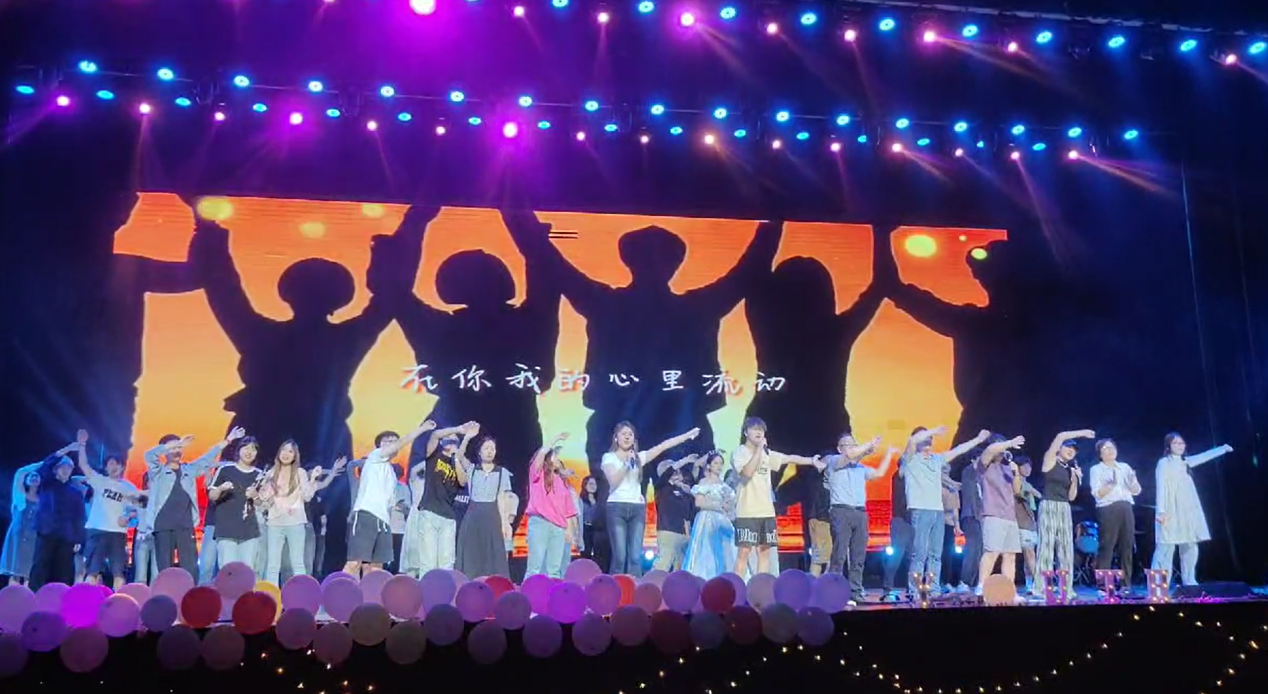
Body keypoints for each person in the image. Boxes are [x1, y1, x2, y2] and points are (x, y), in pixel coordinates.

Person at [601, 422, 701, 576]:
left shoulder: (639, 458)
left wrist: (687, 436)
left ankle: (635, 587)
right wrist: (627, 463)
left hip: (637, 508)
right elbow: (614, 482)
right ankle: (616, 588)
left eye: (630, 434)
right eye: (624, 434)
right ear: (616, 438)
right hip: (616, 507)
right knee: (620, 557)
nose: (627, 437)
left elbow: (663, 446)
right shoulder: (609, 457)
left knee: (635, 557)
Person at [901, 426, 990, 597]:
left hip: (938, 511)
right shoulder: (910, 458)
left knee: (935, 554)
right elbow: (912, 441)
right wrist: (932, 432)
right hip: (920, 510)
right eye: (924, 438)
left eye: (930, 439)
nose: (928, 440)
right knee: (919, 554)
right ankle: (915, 590)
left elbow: (958, 450)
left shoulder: (937, 459)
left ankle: (933, 589)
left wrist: (978, 439)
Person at [144, 427, 245, 580]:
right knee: (165, 572)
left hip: (186, 526)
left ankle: (191, 595)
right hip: (162, 526)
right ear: (164, 451)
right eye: (174, 448)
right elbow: (149, 455)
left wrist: (229, 440)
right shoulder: (157, 471)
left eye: (179, 448)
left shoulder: (188, 470)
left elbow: (207, 458)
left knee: (190, 570)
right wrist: (178, 443)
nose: (178, 451)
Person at [731, 417, 820, 579]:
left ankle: (760, 588)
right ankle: (738, 588)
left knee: (764, 552)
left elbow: (789, 458)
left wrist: (811, 461)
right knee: (744, 552)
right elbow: (747, 473)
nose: (759, 432)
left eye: (761, 429)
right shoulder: (740, 453)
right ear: (745, 432)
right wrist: (759, 449)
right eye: (754, 429)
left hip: (767, 512)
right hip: (747, 511)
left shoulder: (767, 454)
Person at [345, 422, 436, 579]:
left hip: (384, 521)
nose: (392, 444)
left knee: (376, 567)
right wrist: (422, 429)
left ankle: (370, 594)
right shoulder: (375, 456)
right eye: (388, 441)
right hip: (366, 515)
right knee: (354, 563)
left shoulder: (392, 474)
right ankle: (341, 592)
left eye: (394, 441)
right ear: (379, 446)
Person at [1152, 433, 1234, 588]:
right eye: (1175, 443)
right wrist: (1161, 511)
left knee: (1190, 544)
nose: (1179, 446)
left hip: (1188, 508)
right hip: (1170, 509)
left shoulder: (1186, 462)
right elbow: (1160, 487)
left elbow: (1204, 456)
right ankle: (1159, 585)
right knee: (1166, 546)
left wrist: (1222, 449)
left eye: (1181, 443)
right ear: (1168, 446)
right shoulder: (1163, 463)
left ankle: (1189, 580)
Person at [822, 433, 896, 604]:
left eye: (853, 444)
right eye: (847, 444)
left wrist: (889, 454)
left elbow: (879, 473)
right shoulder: (834, 461)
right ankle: (834, 592)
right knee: (839, 554)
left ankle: (855, 592)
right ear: (839, 448)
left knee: (858, 556)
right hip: (841, 511)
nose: (851, 447)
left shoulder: (860, 468)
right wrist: (869, 445)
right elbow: (849, 455)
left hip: (860, 513)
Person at [77, 435, 141, 590]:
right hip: (97, 530)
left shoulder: (129, 488)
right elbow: (83, 464)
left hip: (118, 533)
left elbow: (138, 510)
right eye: (110, 464)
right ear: (105, 468)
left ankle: (117, 600)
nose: (114, 467)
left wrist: (128, 517)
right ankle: (89, 600)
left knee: (118, 572)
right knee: (92, 571)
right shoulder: (100, 480)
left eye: (117, 464)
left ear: (122, 467)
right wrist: (81, 444)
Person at [414, 422, 477, 574]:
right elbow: (435, 435)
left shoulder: (457, 463)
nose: (451, 441)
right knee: (428, 562)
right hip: (429, 512)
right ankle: (427, 589)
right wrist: (458, 429)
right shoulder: (434, 456)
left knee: (446, 563)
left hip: (448, 516)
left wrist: (457, 457)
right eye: (448, 438)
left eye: (455, 440)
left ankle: (445, 589)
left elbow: (463, 481)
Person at [1036, 430, 1092, 598]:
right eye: (1068, 447)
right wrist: (1082, 433)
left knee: (1066, 548)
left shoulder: (1070, 470)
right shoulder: (1050, 460)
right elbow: (1060, 436)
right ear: (1059, 448)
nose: (1071, 451)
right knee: (1046, 547)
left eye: (1074, 450)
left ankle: (1066, 588)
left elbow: (1071, 496)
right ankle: (1041, 588)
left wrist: (1075, 479)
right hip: (1049, 504)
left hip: (1064, 507)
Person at [258, 441, 322, 585]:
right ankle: (272, 596)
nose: (286, 454)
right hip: (274, 523)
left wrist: (313, 479)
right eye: (284, 450)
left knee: (298, 563)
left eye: (290, 451)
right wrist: (262, 487)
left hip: (295, 522)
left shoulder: (300, 473)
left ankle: (301, 595)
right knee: (273, 565)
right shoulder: (271, 473)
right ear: (279, 453)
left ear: (295, 456)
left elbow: (307, 496)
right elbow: (264, 500)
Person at [29, 441, 89, 590]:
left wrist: (79, 539)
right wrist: (68, 449)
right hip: (46, 532)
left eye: (70, 467)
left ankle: (60, 598)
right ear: (56, 469)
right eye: (63, 466)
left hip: (66, 536)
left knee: (64, 571)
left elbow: (79, 517)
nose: (67, 470)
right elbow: (46, 464)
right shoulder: (47, 483)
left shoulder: (75, 492)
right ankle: (36, 596)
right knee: (40, 567)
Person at [973, 435, 1026, 600]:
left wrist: (1016, 473)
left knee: (1010, 555)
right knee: (992, 552)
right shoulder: (984, 466)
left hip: (1010, 517)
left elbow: (1017, 491)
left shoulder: (1007, 468)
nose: (1002, 450)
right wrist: (1009, 443)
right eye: (1000, 446)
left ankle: (1010, 591)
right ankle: (981, 586)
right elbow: (989, 450)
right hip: (992, 514)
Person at [456, 433, 515, 579]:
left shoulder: (502, 472)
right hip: (473, 516)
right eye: (486, 448)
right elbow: (459, 455)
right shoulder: (472, 469)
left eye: (492, 449)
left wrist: (504, 523)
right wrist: (467, 438)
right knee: (472, 553)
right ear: (479, 452)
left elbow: (502, 498)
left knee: (493, 555)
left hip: (492, 516)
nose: (490, 451)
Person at [1088, 438, 1142, 594]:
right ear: (1100, 453)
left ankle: (1126, 585)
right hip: (1108, 508)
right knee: (1107, 546)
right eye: (1105, 448)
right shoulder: (1096, 469)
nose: (1110, 450)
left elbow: (1137, 491)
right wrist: (1109, 485)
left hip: (1126, 507)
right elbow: (1097, 493)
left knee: (1127, 546)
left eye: (1112, 447)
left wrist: (1132, 482)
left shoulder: (1125, 467)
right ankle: (1102, 586)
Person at [525, 433, 579, 578]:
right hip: (540, 522)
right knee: (534, 568)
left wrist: (570, 530)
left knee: (554, 570)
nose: (557, 459)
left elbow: (568, 510)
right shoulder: (537, 474)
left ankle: (553, 592)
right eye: (554, 455)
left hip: (558, 528)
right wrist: (555, 439)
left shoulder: (562, 481)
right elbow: (542, 453)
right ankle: (530, 592)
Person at [208, 436, 265, 570]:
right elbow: (212, 496)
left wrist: (255, 496)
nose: (249, 452)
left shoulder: (260, 475)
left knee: (247, 572)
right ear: (238, 450)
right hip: (226, 530)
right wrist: (221, 489)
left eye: (253, 449)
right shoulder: (225, 470)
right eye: (245, 448)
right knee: (228, 571)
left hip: (250, 531)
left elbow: (262, 504)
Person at [683, 451, 737, 579]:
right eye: (716, 463)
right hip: (706, 520)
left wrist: (727, 508)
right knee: (706, 550)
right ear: (709, 466)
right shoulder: (704, 482)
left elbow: (729, 507)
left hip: (722, 521)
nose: (719, 466)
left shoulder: (725, 486)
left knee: (725, 551)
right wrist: (718, 506)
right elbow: (699, 502)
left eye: (721, 464)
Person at [652, 455, 699, 572]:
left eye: (679, 472)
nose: (678, 474)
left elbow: (689, 513)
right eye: (675, 472)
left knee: (681, 568)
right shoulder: (661, 487)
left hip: (684, 533)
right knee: (664, 563)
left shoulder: (683, 491)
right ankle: (654, 582)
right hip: (668, 532)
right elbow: (669, 471)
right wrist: (685, 460)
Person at [1, 468, 43, 585]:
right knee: (15, 570)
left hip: (33, 537)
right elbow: (21, 472)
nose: (34, 477)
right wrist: (42, 464)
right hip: (18, 535)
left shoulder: (43, 500)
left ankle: (26, 594)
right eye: (31, 476)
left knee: (29, 571)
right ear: (25, 480)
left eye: (37, 476)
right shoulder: (19, 495)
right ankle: (12, 594)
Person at [881, 466, 913, 600]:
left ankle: (912, 588)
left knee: (912, 558)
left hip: (912, 521)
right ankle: (887, 589)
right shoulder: (898, 477)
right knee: (896, 557)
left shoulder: (913, 480)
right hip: (900, 521)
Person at [1013, 456, 1042, 596]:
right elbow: (1019, 494)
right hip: (1021, 521)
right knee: (1029, 553)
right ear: (1017, 467)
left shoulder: (1027, 483)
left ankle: (1030, 585)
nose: (1028, 469)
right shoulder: (1016, 481)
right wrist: (1030, 491)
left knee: (1028, 555)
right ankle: (1039, 584)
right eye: (1024, 466)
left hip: (1030, 521)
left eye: (1029, 466)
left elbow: (1039, 495)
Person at [958, 454, 984, 592]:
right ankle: (964, 581)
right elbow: (970, 496)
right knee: (972, 550)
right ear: (973, 459)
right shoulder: (968, 471)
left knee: (979, 551)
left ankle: (973, 582)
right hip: (970, 516)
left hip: (979, 517)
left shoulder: (980, 475)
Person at [578, 476, 607, 569]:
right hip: (585, 530)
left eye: (594, 484)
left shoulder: (600, 501)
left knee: (599, 555)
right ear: (585, 485)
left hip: (597, 530)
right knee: (585, 554)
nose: (593, 486)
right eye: (590, 484)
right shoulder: (580, 501)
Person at [940, 469, 962, 592]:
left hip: (948, 524)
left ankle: (947, 582)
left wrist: (957, 526)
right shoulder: (936, 485)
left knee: (948, 554)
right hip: (937, 523)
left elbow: (955, 510)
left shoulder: (953, 489)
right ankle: (937, 581)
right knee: (936, 554)